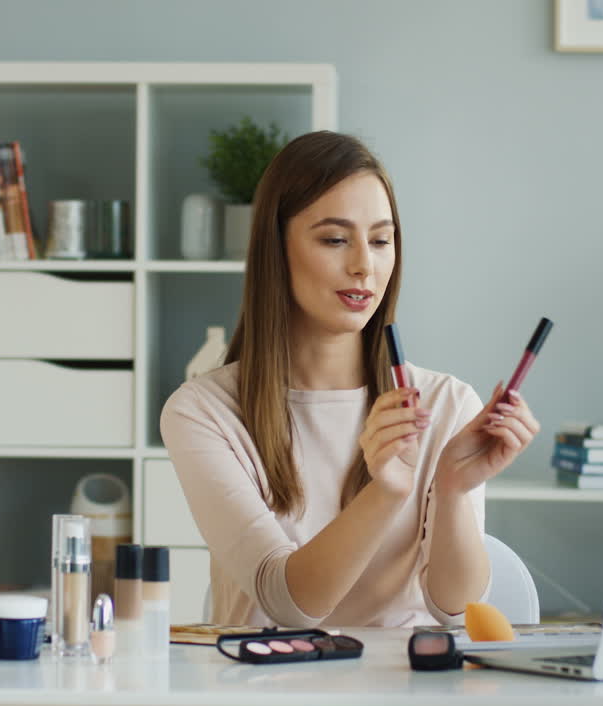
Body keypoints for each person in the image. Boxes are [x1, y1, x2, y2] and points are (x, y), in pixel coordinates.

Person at [159, 131, 540, 628]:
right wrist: (385, 491)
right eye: (335, 239)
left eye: (381, 240)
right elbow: (288, 603)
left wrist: (451, 491)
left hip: (403, 697)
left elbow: (455, 611)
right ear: (276, 249)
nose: (364, 265)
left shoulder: (448, 404)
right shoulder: (203, 413)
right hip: (264, 695)